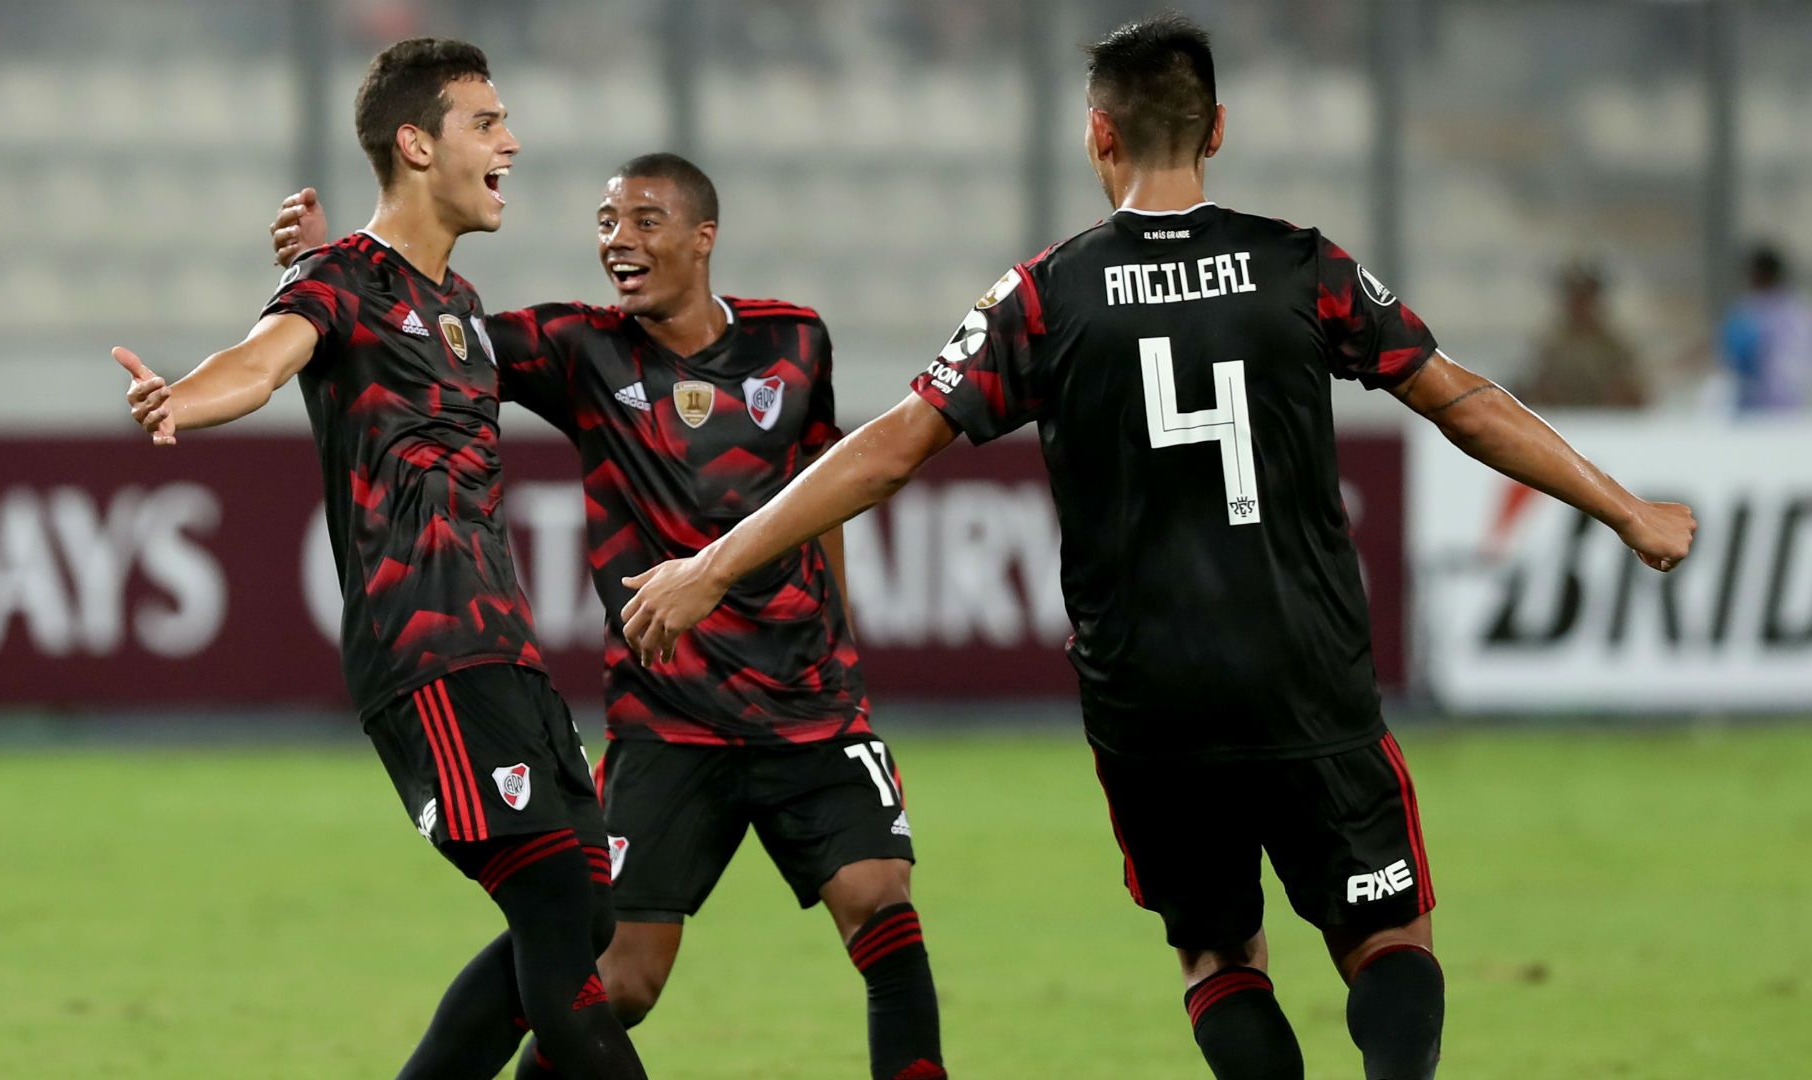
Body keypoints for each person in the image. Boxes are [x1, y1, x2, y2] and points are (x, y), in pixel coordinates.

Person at [619, 14, 1697, 1080]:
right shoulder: (1302, 266)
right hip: (1304, 669)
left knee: (1217, 952)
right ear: (1217, 127)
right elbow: (1459, 399)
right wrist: (1627, 509)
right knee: (1387, 940)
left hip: (1151, 696)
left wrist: (712, 565)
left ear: (1099, 135)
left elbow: (892, 449)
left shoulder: (1042, 295)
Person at [270, 152, 945, 1080]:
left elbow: (822, 491)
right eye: (604, 223)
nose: (617, 241)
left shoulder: (795, 343)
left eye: (644, 220)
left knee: (880, 900)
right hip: (666, 718)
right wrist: (332, 274)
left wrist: (847, 647)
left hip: (809, 703)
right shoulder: (578, 347)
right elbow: (428, 332)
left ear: (703, 238)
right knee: (615, 977)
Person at [112, 39, 646, 1080]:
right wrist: (186, 395)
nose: (512, 142)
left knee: (582, 915)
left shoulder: (460, 308)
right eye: (486, 123)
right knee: (550, 906)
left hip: (508, 653)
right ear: (416, 143)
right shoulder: (340, 281)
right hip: (428, 660)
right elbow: (265, 357)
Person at [1518, 261, 1648, 409]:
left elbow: (1635, 395)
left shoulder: (1614, 347)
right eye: (1576, 298)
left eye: (1585, 298)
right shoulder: (1551, 346)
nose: (1580, 305)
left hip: (1607, 425)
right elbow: (1536, 391)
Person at [1719, 244, 1812, 412]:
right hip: (1796, 408)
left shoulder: (1750, 312)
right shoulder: (1800, 310)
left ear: (1757, 274)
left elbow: (1736, 357)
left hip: (1759, 408)